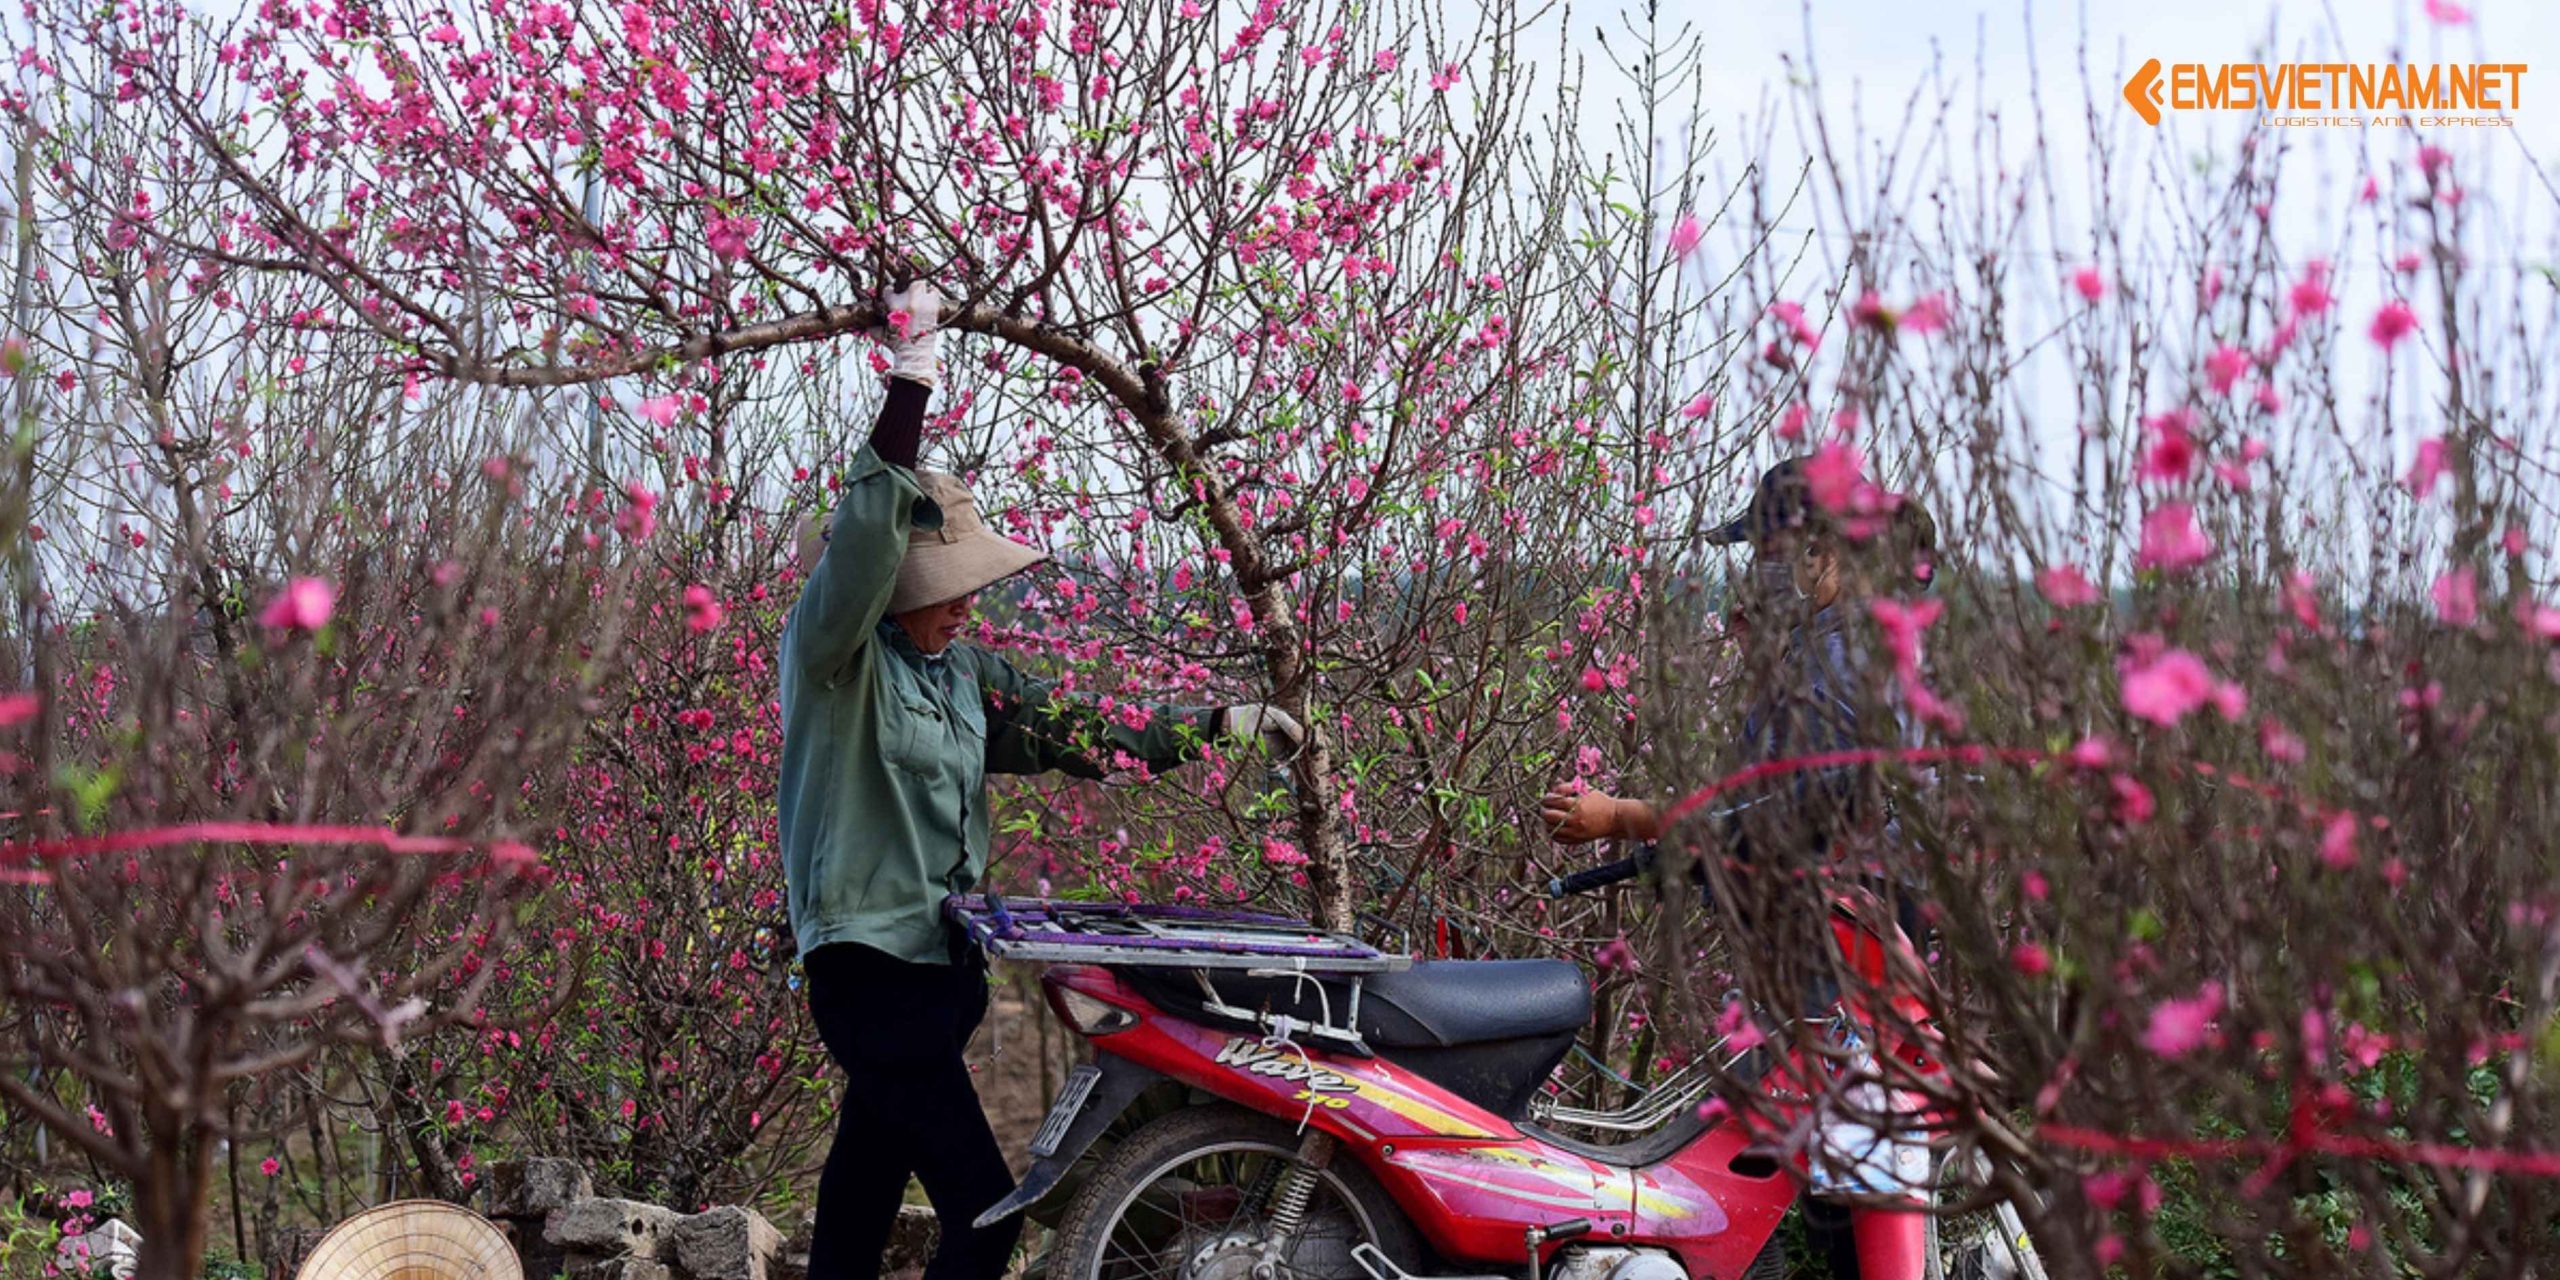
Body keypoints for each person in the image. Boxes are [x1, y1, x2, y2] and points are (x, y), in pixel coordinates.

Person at [780, 280, 1307, 1280]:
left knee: (860, 1195)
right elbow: (862, 533)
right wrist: (912, 378)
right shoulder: (834, 665)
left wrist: (1216, 723)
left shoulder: (965, 674)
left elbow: (1078, 729)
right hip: (869, 972)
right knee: (986, 1213)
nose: (965, 605)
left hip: (944, 974)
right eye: (945, 590)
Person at [1540, 457, 1940, 1280]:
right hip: (1831, 942)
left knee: (1800, 1172)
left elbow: (1777, 813)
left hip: (1842, 957)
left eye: (1770, 554)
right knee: (1812, 1170)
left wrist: (1622, 818)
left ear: (1820, 551)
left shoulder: (1836, 661)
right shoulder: (1841, 645)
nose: (1763, 575)